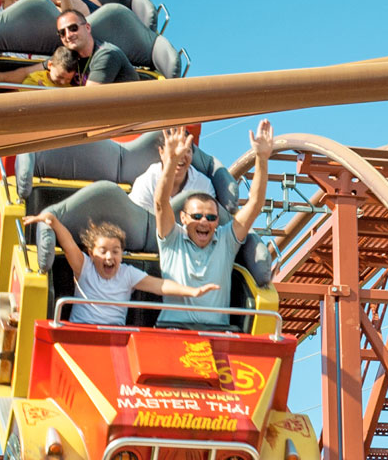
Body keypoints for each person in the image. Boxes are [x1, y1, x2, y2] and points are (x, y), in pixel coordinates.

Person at [151, 119, 276, 330]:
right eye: (197, 216)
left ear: (217, 221)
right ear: (183, 218)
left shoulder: (225, 240)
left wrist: (262, 159)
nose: (204, 222)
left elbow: (255, 205)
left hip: (217, 334)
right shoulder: (172, 239)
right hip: (172, 330)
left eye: (211, 218)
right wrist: (171, 162)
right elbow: (161, 203)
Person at [22, 215, 219, 325]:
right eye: (103, 251)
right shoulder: (85, 267)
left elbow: (160, 285)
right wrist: (53, 222)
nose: (109, 257)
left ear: (122, 254)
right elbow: (69, 245)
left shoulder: (127, 274)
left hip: (114, 336)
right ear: (91, 253)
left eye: (115, 252)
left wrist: (193, 291)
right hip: (80, 331)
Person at [131, 126, 222, 211]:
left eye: (187, 150)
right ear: (161, 152)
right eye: (175, 149)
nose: (180, 155)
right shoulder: (146, 182)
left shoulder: (203, 185)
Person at [57, 10, 138, 84]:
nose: (68, 35)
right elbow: (47, 65)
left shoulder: (107, 54)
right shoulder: (70, 55)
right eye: (62, 32)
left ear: (88, 28)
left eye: (73, 28)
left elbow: (90, 96)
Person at [0, 46, 86, 89]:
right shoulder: (35, 81)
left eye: (68, 79)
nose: (63, 82)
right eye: (60, 77)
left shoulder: (69, 86)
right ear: (49, 65)